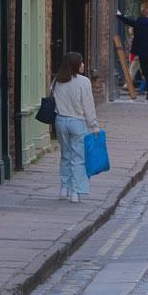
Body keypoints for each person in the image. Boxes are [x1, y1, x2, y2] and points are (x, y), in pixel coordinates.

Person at [51, 51, 99, 203]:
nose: (83, 65)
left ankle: (64, 188)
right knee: (78, 158)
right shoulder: (83, 82)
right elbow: (88, 106)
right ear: (75, 65)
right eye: (81, 62)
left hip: (60, 122)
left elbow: (52, 100)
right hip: (77, 122)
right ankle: (75, 192)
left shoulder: (57, 81)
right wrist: (94, 125)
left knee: (65, 155)